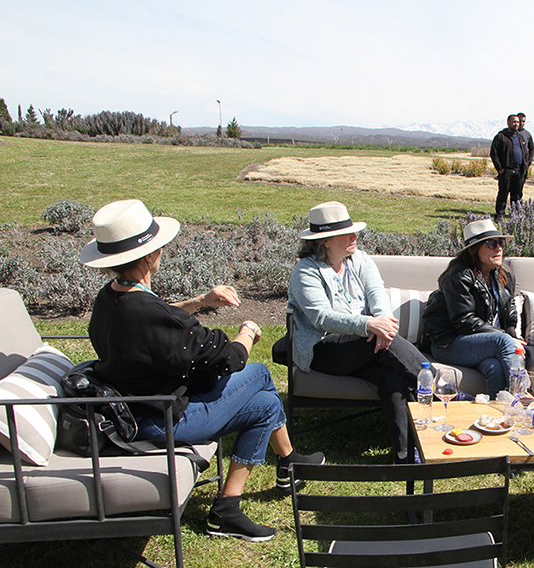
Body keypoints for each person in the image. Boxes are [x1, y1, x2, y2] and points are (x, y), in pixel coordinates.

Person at [83, 199, 322, 542]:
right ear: (150, 256)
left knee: (266, 406)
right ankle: (286, 463)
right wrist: (248, 332)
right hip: (160, 420)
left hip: (133, 408)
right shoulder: (148, 313)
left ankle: (233, 504)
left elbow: (157, 315)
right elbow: (229, 359)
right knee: (259, 375)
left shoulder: (110, 298)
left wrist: (199, 302)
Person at [288, 201, 427, 464]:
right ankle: (441, 387)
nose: (355, 236)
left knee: (390, 377)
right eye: (347, 233)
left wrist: (382, 322)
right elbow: (322, 318)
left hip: (364, 345)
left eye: (354, 231)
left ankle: (404, 454)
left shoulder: (359, 260)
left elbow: (377, 294)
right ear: (325, 241)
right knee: (372, 341)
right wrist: (369, 325)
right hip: (324, 349)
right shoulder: (305, 271)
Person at [423, 219, 524, 394]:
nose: (498, 248)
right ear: (472, 250)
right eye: (491, 244)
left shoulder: (505, 275)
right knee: (504, 342)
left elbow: (510, 312)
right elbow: (464, 321)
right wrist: (507, 338)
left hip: (485, 343)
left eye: (501, 242)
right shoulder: (459, 275)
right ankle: (523, 395)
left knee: (494, 367)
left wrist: (513, 336)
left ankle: (499, 409)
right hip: (449, 343)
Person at [489, 114, 527, 221]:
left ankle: (515, 216)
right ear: (508, 123)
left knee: (517, 195)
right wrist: (500, 169)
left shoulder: (521, 138)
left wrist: (525, 166)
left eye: (517, 122)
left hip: (519, 172)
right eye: (514, 122)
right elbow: (494, 153)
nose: (516, 124)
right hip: (506, 171)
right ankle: (500, 214)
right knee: (503, 193)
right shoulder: (501, 136)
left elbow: (526, 153)